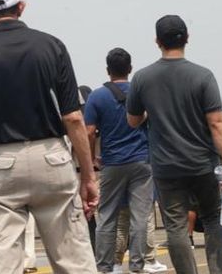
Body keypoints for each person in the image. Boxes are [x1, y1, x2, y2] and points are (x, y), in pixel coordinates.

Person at [0, 0, 97, 274]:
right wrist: (87, 175)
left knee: (4, 263)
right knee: (74, 259)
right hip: (52, 157)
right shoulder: (52, 46)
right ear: (21, 6)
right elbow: (72, 117)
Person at [126, 14, 222, 274]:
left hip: (166, 165)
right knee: (212, 219)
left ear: (157, 41)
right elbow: (217, 124)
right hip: (202, 163)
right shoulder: (203, 76)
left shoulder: (142, 78)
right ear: (187, 38)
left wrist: (150, 113)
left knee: (175, 225)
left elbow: (132, 121)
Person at [85, 48, 153, 274]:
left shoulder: (96, 96)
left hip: (111, 163)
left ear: (107, 70)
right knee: (140, 216)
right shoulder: (141, 91)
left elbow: (89, 131)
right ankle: (137, 266)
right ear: (130, 68)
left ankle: (104, 267)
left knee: (106, 217)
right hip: (142, 160)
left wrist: (93, 157)